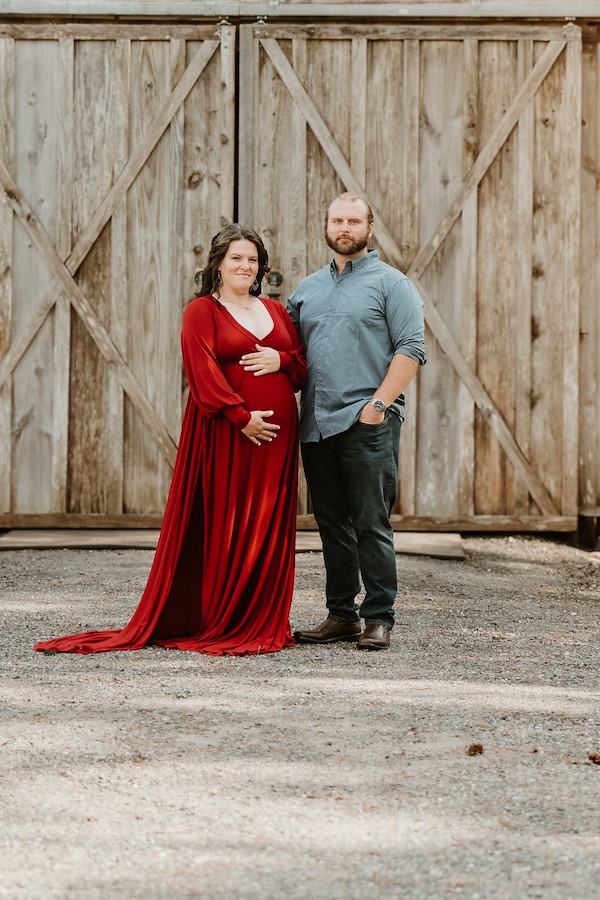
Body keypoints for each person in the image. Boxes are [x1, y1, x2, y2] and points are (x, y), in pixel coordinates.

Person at [35, 224, 306, 656]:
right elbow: (202, 374)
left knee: (266, 524)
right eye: (236, 257)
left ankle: (262, 617)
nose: (245, 265)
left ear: (261, 267)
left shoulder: (275, 311)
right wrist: (241, 417)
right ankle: (222, 619)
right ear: (218, 263)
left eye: (252, 259)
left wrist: (281, 358)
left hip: (276, 441)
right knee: (227, 521)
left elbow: (300, 367)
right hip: (228, 435)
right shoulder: (201, 310)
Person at [287, 193, 426, 651]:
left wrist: (378, 406)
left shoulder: (393, 284)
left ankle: (379, 616)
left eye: (353, 220)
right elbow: (289, 356)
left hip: (368, 422)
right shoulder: (306, 290)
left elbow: (411, 349)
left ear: (370, 227)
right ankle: (341, 615)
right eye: (336, 220)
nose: (344, 227)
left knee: (370, 522)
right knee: (331, 524)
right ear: (326, 226)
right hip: (317, 425)